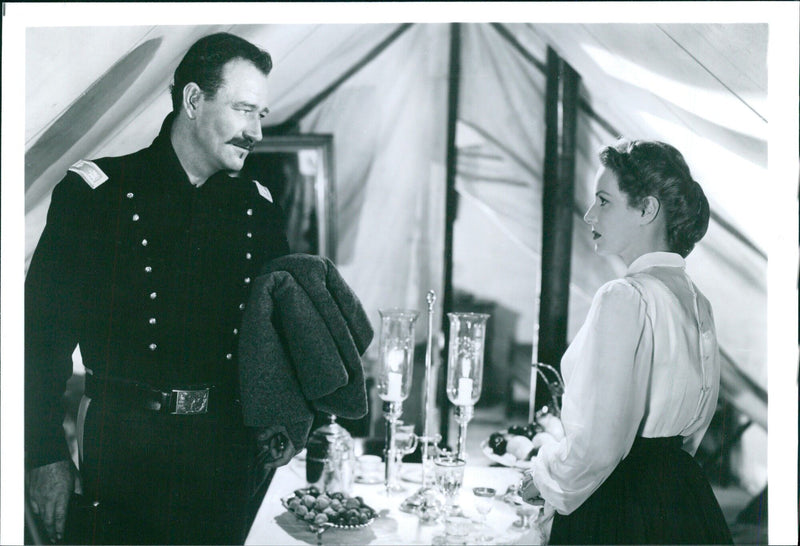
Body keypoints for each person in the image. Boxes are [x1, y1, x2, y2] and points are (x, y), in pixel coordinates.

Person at [25, 33, 295, 545]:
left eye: (261, 114)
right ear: (193, 101)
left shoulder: (257, 209)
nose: (256, 131)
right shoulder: (95, 196)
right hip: (123, 454)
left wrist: (277, 415)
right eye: (244, 110)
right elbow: (38, 343)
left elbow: (274, 337)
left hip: (225, 460)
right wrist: (42, 456)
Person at [520, 139, 733, 544]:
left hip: (617, 507)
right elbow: (694, 428)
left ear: (647, 210)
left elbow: (600, 446)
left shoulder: (624, 296)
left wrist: (544, 479)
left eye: (603, 201)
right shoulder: (697, 300)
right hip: (682, 497)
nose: (588, 215)